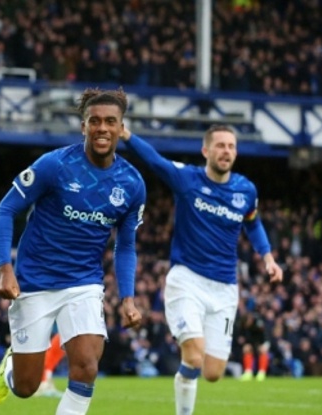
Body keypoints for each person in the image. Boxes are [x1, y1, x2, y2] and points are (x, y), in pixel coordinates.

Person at [0, 87, 145, 415]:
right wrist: (5, 268)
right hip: (34, 281)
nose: (102, 128)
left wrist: (128, 298)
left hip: (83, 283)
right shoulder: (55, 165)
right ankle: (12, 366)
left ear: (121, 128)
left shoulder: (131, 183)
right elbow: (6, 209)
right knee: (27, 388)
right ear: (83, 126)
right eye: (95, 121)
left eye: (110, 122)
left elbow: (126, 245)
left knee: (87, 366)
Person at [119, 125, 283, 415]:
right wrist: (126, 135)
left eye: (231, 146)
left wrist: (268, 258)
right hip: (187, 281)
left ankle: (186, 376)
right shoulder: (187, 179)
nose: (226, 151)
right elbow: (155, 161)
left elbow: (253, 223)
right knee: (194, 356)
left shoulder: (245, 190)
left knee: (213, 372)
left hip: (225, 289)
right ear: (206, 151)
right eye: (220, 145)